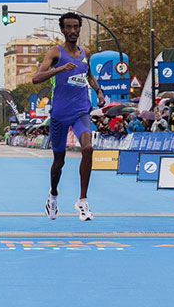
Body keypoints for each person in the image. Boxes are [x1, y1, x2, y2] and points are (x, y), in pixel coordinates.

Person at [33, 12, 106, 221]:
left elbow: (88, 74)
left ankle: (82, 201)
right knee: (59, 162)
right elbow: (36, 78)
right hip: (59, 115)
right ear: (63, 30)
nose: (73, 31)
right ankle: (53, 195)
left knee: (88, 148)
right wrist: (61, 69)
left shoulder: (85, 52)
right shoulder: (55, 52)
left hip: (81, 111)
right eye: (69, 28)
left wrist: (99, 91)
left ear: (79, 29)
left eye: (76, 27)